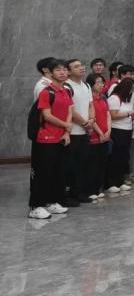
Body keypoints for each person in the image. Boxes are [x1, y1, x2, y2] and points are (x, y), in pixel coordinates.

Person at [29, 59, 73, 219]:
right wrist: (66, 125)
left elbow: (69, 110)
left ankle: (51, 202)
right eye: (58, 70)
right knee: (42, 172)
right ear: (50, 72)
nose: (62, 72)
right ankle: (36, 206)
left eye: (64, 69)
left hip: (60, 138)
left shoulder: (66, 91)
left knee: (56, 172)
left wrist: (66, 132)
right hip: (45, 138)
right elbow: (47, 115)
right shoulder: (46, 92)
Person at [65, 58, 94, 206]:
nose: (81, 68)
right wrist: (85, 123)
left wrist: (92, 120)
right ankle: (69, 194)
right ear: (68, 71)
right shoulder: (67, 86)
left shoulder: (86, 85)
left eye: (82, 65)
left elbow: (90, 105)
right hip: (72, 132)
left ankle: (79, 193)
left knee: (83, 164)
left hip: (85, 131)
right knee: (70, 165)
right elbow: (70, 110)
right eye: (76, 67)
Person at [105, 77, 134, 193]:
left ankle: (120, 181)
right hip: (117, 130)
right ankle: (111, 183)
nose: (131, 91)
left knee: (123, 157)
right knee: (115, 157)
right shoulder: (114, 98)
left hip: (127, 129)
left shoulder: (126, 100)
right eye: (130, 89)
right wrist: (128, 113)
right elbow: (113, 115)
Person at [85, 73, 111, 201]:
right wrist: (100, 133)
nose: (101, 85)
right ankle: (90, 190)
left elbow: (108, 115)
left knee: (102, 163)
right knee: (92, 164)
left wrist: (109, 131)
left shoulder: (103, 98)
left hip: (106, 134)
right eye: (98, 82)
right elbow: (91, 118)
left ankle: (98, 188)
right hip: (95, 135)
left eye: (102, 82)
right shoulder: (88, 99)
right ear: (91, 84)